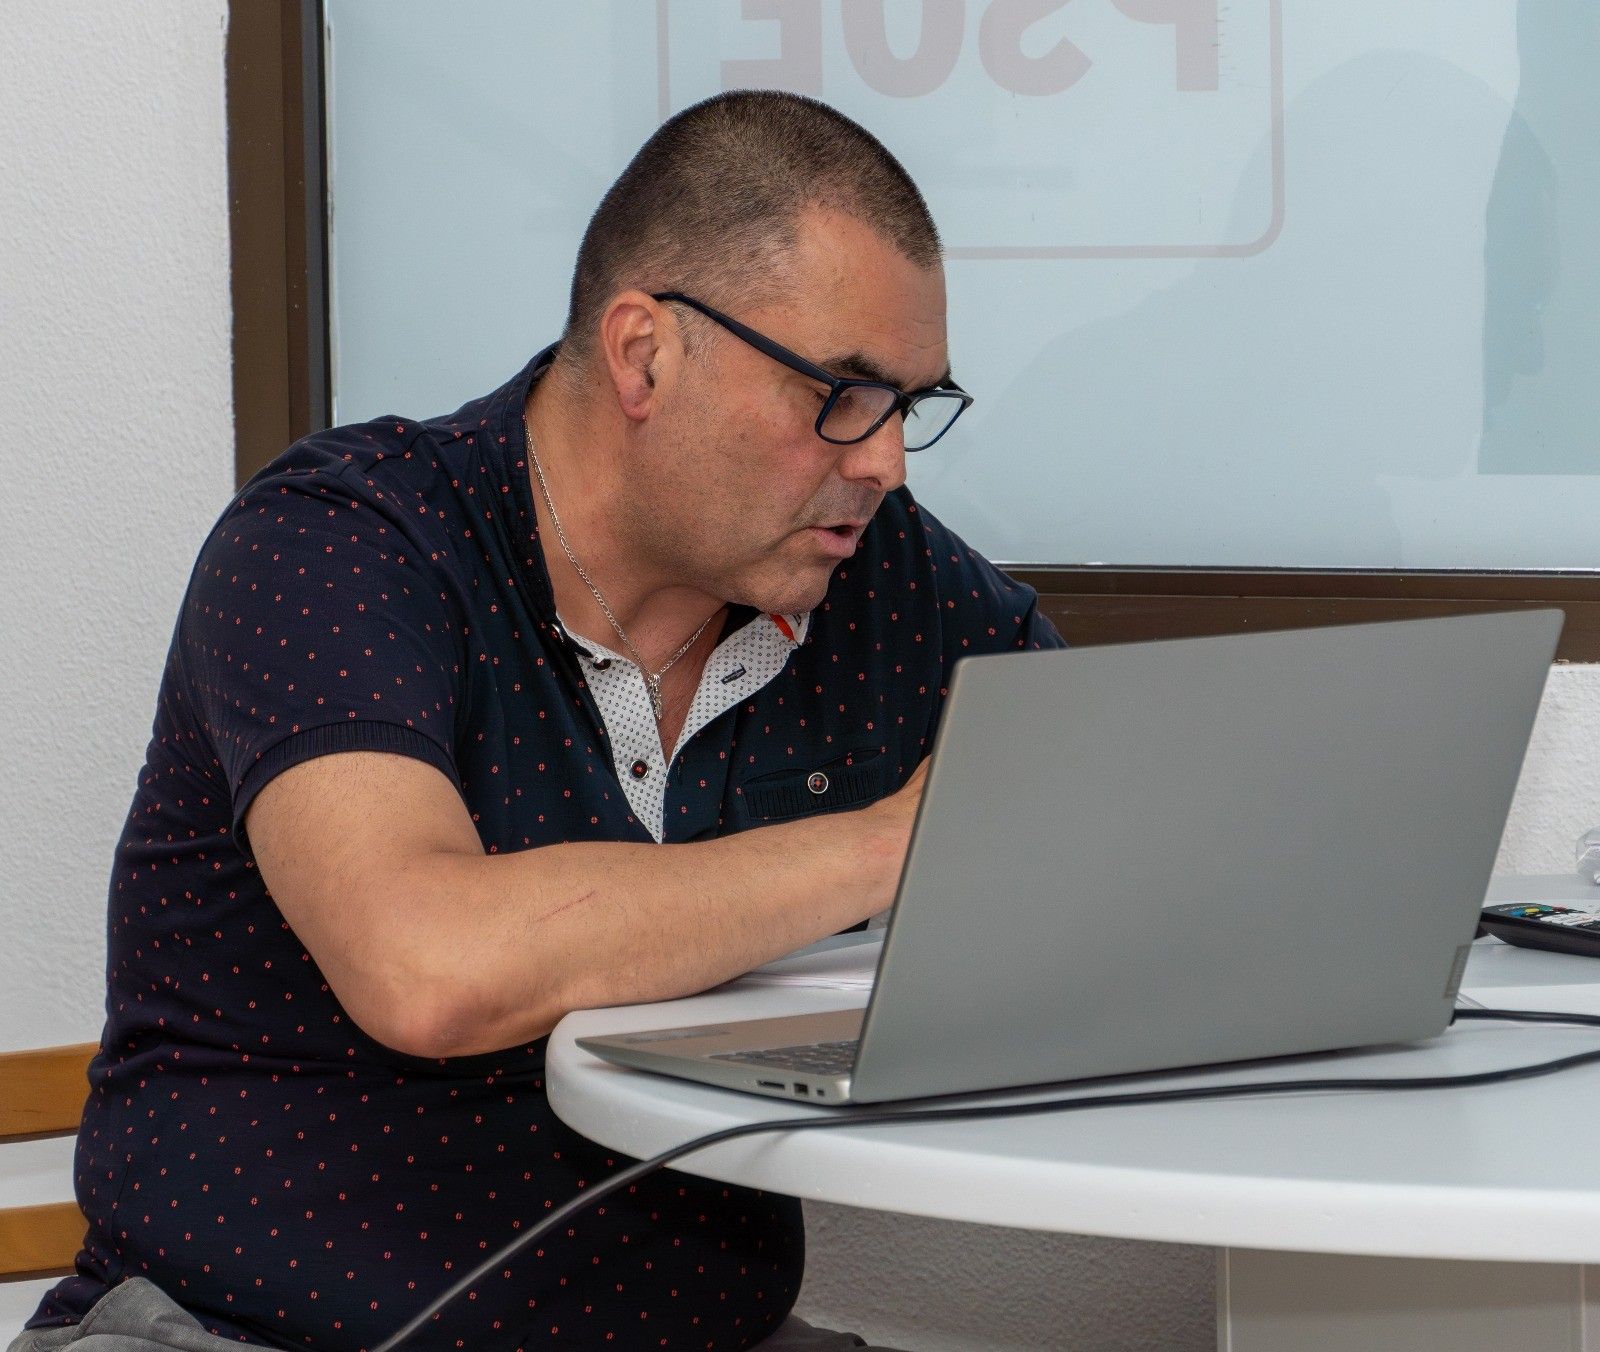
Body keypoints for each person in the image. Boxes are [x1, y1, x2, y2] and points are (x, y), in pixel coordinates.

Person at [14, 91, 1062, 1352]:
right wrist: (896, 843)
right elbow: (427, 966)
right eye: (841, 393)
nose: (886, 459)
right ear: (642, 354)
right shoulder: (339, 544)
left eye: (910, 403)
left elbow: (1121, 794)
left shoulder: (869, 570)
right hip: (241, 1330)